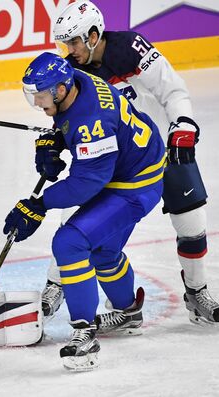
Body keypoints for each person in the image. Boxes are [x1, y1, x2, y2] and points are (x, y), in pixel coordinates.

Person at [42, 0, 217, 326]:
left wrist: (183, 125)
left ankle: (197, 292)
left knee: (191, 220)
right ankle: (56, 282)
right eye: (64, 43)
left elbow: (172, 88)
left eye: (75, 41)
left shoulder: (131, 49)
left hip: (162, 147)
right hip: (119, 158)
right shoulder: (74, 72)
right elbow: (69, 118)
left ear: (94, 34)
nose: (70, 50)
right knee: (77, 216)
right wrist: (55, 140)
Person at [3, 52, 165, 370]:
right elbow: (72, 126)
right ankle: (128, 311)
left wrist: (38, 205)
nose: (36, 102)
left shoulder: (92, 122)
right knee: (104, 252)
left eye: (40, 95)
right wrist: (54, 141)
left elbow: (87, 183)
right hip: (133, 164)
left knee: (70, 242)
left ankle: (84, 334)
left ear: (60, 89)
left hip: (133, 184)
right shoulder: (81, 80)